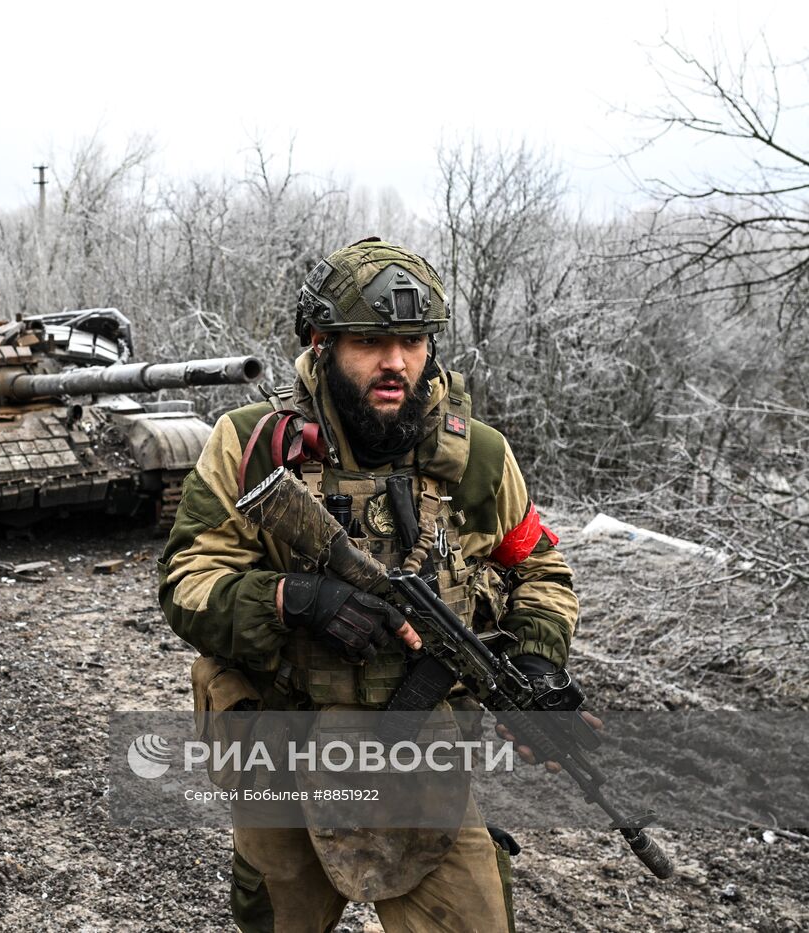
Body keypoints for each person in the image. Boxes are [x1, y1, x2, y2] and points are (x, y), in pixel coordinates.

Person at [158, 237, 579, 932]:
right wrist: (296, 600)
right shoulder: (250, 445)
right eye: (371, 341)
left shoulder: (476, 459)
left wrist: (536, 658)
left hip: (423, 765)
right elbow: (186, 581)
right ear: (322, 344)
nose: (396, 362)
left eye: (413, 341)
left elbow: (538, 568)